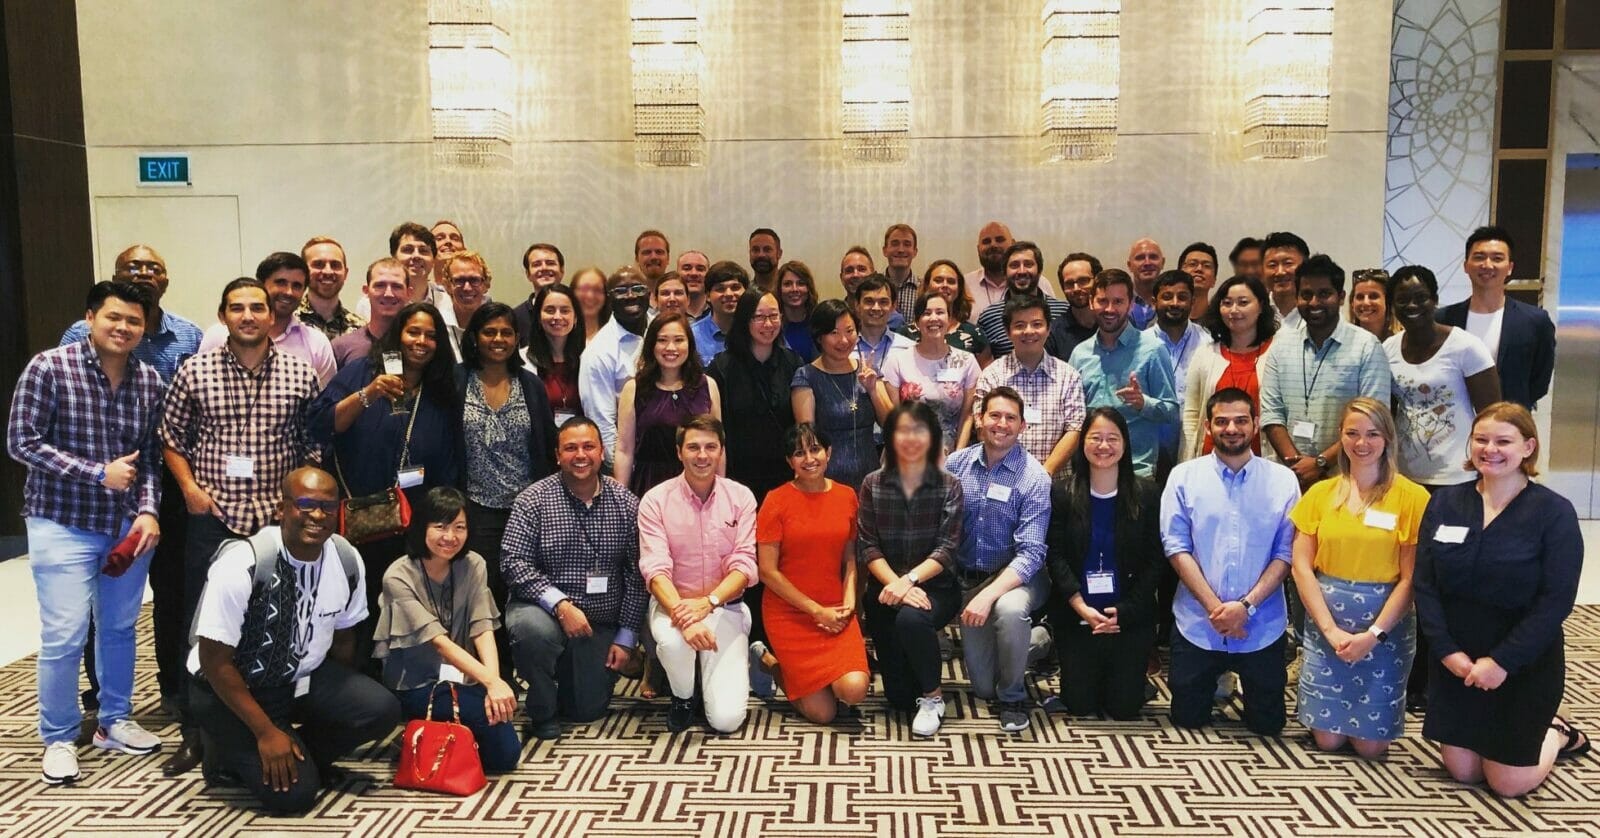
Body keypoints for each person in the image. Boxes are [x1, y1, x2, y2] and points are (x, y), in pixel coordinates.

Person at [160, 277, 322, 776]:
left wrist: (294, 506)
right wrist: (189, 489)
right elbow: (171, 438)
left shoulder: (299, 372)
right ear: (223, 316)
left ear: (272, 316)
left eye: (257, 307)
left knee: (275, 621)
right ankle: (196, 733)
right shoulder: (195, 370)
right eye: (237, 308)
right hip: (214, 515)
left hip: (274, 522)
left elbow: (312, 446)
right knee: (200, 626)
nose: (248, 316)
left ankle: (271, 720)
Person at [10, 281, 165, 785]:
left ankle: (114, 721)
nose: (123, 327)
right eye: (114, 317)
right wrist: (97, 472)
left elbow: (149, 459)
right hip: (62, 521)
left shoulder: (150, 381)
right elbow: (22, 441)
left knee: (119, 628)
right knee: (65, 634)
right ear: (91, 318)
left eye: (134, 321)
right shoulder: (49, 367)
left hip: (125, 527)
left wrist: (148, 511)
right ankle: (58, 736)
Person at [187, 467, 400, 814]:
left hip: (296, 680)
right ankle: (225, 751)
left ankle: (298, 755)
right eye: (305, 504)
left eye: (327, 507)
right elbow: (214, 662)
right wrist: (265, 732)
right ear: (281, 509)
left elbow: (344, 638)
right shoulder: (243, 564)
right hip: (230, 689)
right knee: (294, 798)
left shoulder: (346, 558)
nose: (318, 515)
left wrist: (333, 703)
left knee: (379, 709)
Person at [56, 247, 203, 731]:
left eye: (154, 267)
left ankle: (174, 688)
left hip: (166, 482)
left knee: (172, 591)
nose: (144, 273)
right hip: (99, 483)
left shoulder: (188, 335)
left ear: (167, 278)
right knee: (97, 596)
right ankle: (100, 694)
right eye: (133, 267)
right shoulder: (80, 334)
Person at [1413, 403, 1588, 796]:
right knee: (1463, 771)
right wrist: (1446, 652)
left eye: (1503, 441)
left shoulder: (1554, 513)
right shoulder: (1444, 502)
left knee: (1508, 783)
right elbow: (1425, 584)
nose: (1490, 449)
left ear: (1528, 447)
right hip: (1457, 660)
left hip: (1522, 662)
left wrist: (1503, 661)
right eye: (1481, 439)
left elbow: (1557, 600)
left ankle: (1557, 731)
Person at [309, 302, 462, 660]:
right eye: (413, 332)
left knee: (405, 604)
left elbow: (450, 458)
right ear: (397, 335)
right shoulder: (363, 371)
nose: (421, 341)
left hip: (414, 521)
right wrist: (370, 393)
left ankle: (395, 676)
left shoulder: (441, 388)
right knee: (354, 604)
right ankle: (352, 675)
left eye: (430, 335)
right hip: (358, 517)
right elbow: (322, 423)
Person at [1288, 398, 1427, 759]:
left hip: (1384, 627)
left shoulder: (1412, 498)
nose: (1362, 443)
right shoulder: (1320, 494)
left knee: (1370, 747)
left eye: (1373, 434)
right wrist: (1329, 630)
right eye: (1352, 433)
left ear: (1388, 438)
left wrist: (1373, 635)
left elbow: (1410, 579)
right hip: (1327, 622)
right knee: (1327, 740)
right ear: (1341, 437)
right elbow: (1301, 566)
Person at [1162, 388, 1300, 736]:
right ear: (1208, 426)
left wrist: (1245, 607)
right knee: (1188, 719)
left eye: (1241, 420)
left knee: (1268, 726)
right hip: (1199, 623)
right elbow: (1176, 547)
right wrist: (1217, 610)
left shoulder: (1283, 480)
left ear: (1255, 424)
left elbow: (1285, 554)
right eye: (1222, 422)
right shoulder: (1183, 477)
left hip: (1261, 624)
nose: (1232, 429)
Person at [501, 418, 646, 741]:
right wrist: (561, 605)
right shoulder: (533, 501)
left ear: (602, 452)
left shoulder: (626, 503)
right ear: (557, 455)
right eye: (570, 448)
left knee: (585, 710)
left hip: (599, 623)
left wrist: (626, 637)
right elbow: (513, 563)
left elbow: (636, 576)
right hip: (543, 611)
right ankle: (542, 709)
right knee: (531, 632)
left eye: (588, 447)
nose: (580, 455)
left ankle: (570, 679)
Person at [373, 487, 521, 773]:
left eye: (459, 527)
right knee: (503, 752)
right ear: (421, 527)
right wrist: (491, 684)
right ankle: (427, 732)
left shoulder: (474, 564)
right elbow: (438, 642)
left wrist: (493, 683)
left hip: (466, 677)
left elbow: (482, 627)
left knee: (503, 746)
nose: (450, 536)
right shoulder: (398, 576)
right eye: (440, 527)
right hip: (417, 683)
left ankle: (439, 733)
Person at [455, 302, 558, 677]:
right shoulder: (457, 380)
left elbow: (546, 444)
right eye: (489, 332)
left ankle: (527, 669)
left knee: (526, 589)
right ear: (475, 337)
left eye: (506, 332)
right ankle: (492, 672)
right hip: (475, 506)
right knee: (485, 591)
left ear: (517, 338)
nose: (498, 339)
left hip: (526, 507)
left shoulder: (530, 384)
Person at [639, 417, 759, 733]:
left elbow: (744, 564)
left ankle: (714, 670)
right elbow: (655, 568)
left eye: (710, 447)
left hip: (724, 606)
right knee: (675, 645)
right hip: (672, 606)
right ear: (679, 452)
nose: (702, 455)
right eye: (693, 447)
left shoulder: (741, 497)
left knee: (726, 721)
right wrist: (685, 617)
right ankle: (683, 697)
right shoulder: (655, 500)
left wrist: (709, 603)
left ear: (721, 451)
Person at [1045, 407, 1163, 719]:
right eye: (1095, 438)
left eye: (1113, 438)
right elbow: (1055, 555)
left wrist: (1124, 610)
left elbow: (1155, 560)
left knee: (1123, 708)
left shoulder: (1147, 494)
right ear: (1083, 442)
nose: (1103, 446)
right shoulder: (1063, 493)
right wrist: (1080, 605)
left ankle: (1132, 679)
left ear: (1125, 444)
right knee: (1080, 706)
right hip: (1077, 614)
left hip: (1129, 616)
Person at [945, 391, 1053, 732]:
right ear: (980, 419)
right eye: (994, 415)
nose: (1001, 424)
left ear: (1022, 426)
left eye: (1010, 418)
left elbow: (1031, 554)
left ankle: (1014, 697)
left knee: (1009, 611)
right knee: (982, 687)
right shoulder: (956, 465)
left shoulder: (1034, 477)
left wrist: (988, 595)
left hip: (1017, 578)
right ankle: (1040, 640)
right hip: (968, 578)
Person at [857, 403, 964, 736]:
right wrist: (898, 585)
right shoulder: (873, 484)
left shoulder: (949, 485)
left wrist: (910, 580)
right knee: (900, 698)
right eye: (903, 430)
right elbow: (868, 546)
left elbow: (946, 548)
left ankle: (934, 698)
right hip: (886, 591)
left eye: (920, 430)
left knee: (911, 619)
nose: (911, 438)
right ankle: (916, 680)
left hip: (936, 588)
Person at [755, 424, 870, 723]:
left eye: (815, 449)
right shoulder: (775, 501)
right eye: (799, 453)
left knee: (854, 690)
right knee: (823, 714)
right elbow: (767, 572)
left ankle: (820, 679)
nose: (809, 459)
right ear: (789, 461)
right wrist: (816, 611)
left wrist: (849, 601)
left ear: (828, 453)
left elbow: (849, 558)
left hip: (835, 608)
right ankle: (770, 663)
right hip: (789, 612)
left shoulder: (847, 496)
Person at [1261, 255, 1392, 491]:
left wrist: (1320, 463)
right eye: (1306, 294)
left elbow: (1373, 419)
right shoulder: (1280, 347)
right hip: (1289, 480)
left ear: (1341, 297)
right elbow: (1271, 413)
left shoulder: (1366, 347)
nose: (1314, 302)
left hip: (1349, 479)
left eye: (1324, 294)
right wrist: (1298, 467)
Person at [1385, 265, 1501, 487]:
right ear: (1392, 306)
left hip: (1458, 474)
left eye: (1421, 298)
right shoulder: (1387, 349)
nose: (1412, 305)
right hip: (1404, 474)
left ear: (1435, 300)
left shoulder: (1466, 346)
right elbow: (1386, 413)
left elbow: (1492, 415)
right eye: (1402, 300)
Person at [1069, 269, 1180, 478]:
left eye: (1118, 302)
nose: (1109, 309)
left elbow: (1172, 412)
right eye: (1103, 301)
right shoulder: (1080, 354)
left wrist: (1143, 403)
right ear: (1091, 302)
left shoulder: (1153, 350)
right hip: (1089, 471)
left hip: (1136, 471)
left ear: (1130, 305)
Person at [1435, 226, 1555, 411]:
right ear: (1466, 265)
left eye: (1497, 258)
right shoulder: (1443, 319)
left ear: (1510, 268)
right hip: (1455, 422)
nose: (1487, 265)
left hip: (1510, 421)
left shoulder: (1535, 321)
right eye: (1479, 257)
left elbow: (1539, 382)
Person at [972, 295, 1086, 473]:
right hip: (1001, 478)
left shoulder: (1068, 376)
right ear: (1007, 331)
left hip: (1055, 481)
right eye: (1020, 325)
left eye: (1037, 324)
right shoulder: (991, 376)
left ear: (1048, 329)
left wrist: (1042, 476)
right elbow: (983, 429)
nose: (1028, 331)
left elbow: (1075, 429)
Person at [708, 290, 802, 504]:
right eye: (759, 317)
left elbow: (800, 426)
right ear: (744, 319)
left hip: (784, 474)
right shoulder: (722, 367)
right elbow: (715, 429)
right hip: (737, 476)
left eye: (774, 316)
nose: (768, 324)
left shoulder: (793, 363)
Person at [791, 300, 893, 490]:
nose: (844, 340)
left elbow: (891, 424)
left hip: (870, 477)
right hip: (828, 481)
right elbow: (807, 438)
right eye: (834, 333)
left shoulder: (867, 369)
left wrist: (872, 390)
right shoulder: (806, 376)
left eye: (849, 331)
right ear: (819, 336)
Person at [616, 313, 721, 496]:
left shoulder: (708, 385)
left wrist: (719, 493)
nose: (671, 347)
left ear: (689, 344)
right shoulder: (633, 389)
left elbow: (718, 445)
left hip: (698, 484)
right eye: (662, 340)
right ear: (651, 345)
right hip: (649, 484)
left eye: (679, 340)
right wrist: (621, 499)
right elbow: (624, 450)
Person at [197, 252, 337, 387]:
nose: (288, 292)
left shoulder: (316, 342)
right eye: (281, 283)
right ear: (261, 285)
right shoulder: (218, 335)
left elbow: (326, 400)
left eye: (297, 286)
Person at [1181, 276, 1278, 460]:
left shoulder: (1277, 352)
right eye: (1227, 303)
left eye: (1243, 303)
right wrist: (1187, 459)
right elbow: (1192, 414)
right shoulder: (1205, 353)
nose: (1234, 310)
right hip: (1211, 457)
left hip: (1262, 458)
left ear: (1261, 306)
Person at [882, 292, 978, 454]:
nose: (934, 318)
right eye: (926, 313)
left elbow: (968, 415)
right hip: (906, 451)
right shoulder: (897, 360)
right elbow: (894, 417)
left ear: (949, 319)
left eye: (940, 312)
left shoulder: (967, 361)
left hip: (951, 451)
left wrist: (957, 456)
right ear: (917, 322)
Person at [578, 266, 652, 465]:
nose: (630, 296)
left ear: (649, 293)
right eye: (620, 291)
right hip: (632, 463)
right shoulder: (598, 352)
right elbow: (602, 423)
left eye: (638, 288)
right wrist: (623, 470)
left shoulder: (665, 333)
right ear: (609, 299)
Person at [1151, 270, 1212, 460]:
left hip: (1194, 441)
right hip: (1152, 443)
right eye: (1167, 297)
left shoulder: (1209, 343)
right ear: (1154, 302)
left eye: (1182, 297)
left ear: (1192, 302)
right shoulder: (1140, 344)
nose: (1175, 303)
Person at [975, 241, 1070, 357]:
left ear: (1039, 270)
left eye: (1028, 264)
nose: (1021, 271)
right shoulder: (988, 317)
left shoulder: (1065, 311)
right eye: (1014, 265)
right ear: (1004, 272)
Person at [523, 282, 587, 425]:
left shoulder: (589, 358)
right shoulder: (522, 362)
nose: (557, 317)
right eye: (550, 310)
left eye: (565, 310)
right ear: (538, 317)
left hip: (581, 437)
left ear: (575, 318)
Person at [900, 259, 988, 360]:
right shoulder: (905, 334)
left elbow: (985, 369)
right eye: (938, 280)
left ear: (959, 289)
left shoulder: (975, 334)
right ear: (927, 285)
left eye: (951, 281)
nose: (945, 285)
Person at [332, 258, 410, 369]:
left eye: (397, 286)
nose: (388, 294)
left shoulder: (419, 347)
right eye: (380, 285)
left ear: (409, 293)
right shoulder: (341, 347)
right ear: (366, 291)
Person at [297, 236, 365, 340]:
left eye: (335, 265)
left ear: (345, 273)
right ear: (303, 272)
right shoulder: (285, 322)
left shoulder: (361, 329)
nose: (328, 271)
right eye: (318, 264)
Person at [851, 275, 915, 373]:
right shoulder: (844, 348)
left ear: (893, 306)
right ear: (857, 305)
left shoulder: (908, 349)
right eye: (869, 301)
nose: (876, 308)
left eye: (883, 302)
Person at [1044, 252, 1101, 363]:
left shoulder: (1113, 322)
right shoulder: (1053, 333)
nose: (1076, 288)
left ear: (1098, 281)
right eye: (1069, 283)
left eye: (1083, 281)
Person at [438, 250, 494, 361]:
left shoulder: (498, 325)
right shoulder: (437, 324)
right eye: (459, 280)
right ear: (447, 285)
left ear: (486, 284)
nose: (467, 288)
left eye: (474, 280)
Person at [690, 261, 749, 365]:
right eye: (720, 289)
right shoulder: (692, 335)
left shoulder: (758, 331)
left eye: (735, 287)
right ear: (708, 296)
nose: (729, 294)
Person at [514, 242, 567, 339]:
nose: (544, 268)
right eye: (536, 264)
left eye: (550, 263)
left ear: (562, 270)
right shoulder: (516, 317)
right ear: (528, 274)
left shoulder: (580, 311)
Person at [1260, 232, 1309, 331]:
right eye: (1272, 265)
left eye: (1288, 263)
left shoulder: (1317, 311)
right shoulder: (1255, 312)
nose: (1280, 272)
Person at [775, 260, 821, 363]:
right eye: (788, 284)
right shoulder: (772, 326)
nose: (794, 289)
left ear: (809, 288)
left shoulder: (820, 324)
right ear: (779, 289)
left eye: (801, 283)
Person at [881, 223, 921, 317]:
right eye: (895, 244)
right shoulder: (872, 287)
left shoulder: (923, 289)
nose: (901, 250)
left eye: (907, 244)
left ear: (915, 252)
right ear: (885, 250)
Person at [1348, 268, 1398, 342]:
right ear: (1352, 303)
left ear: (1388, 301)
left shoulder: (1400, 343)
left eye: (1373, 296)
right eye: (1360, 297)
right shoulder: (1341, 342)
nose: (1366, 302)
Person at [1124, 238, 1164, 329]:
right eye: (1140, 258)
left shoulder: (1172, 301)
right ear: (1129, 265)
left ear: (1163, 263)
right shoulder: (1118, 301)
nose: (1147, 263)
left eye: (1153, 257)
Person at [1178, 242, 1219, 321]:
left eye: (1207, 266)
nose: (1199, 269)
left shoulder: (1221, 322)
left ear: (1214, 281)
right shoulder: (1162, 318)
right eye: (1192, 264)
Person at [569, 266, 611, 342]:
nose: (590, 296)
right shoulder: (561, 335)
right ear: (572, 292)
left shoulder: (614, 334)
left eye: (597, 290)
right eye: (584, 289)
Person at [677, 250, 711, 320]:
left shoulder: (719, 312)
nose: (693, 273)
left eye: (700, 269)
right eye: (687, 269)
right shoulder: (667, 313)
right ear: (677, 273)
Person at [748, 228, 783, 293]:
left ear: (779, 253)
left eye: (767, 250)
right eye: (755, 250)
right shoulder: (744, 294)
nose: (761, 255)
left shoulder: (792, 293)